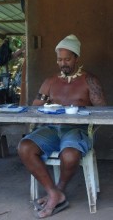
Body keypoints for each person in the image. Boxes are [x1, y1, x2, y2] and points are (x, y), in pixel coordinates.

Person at [17, 34, 106, 218]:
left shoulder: (89, 81)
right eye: (59, 59)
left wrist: (82, 111)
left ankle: (58, 190)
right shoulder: (50, 82)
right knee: (25, 147)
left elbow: (103, 112)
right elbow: (34, 108)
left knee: (70, 154)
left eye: (67, 59)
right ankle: (54, 193)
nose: (62, 63)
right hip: (52, 129)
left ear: (76, 58)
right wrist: (47, 105)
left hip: (77, 130)